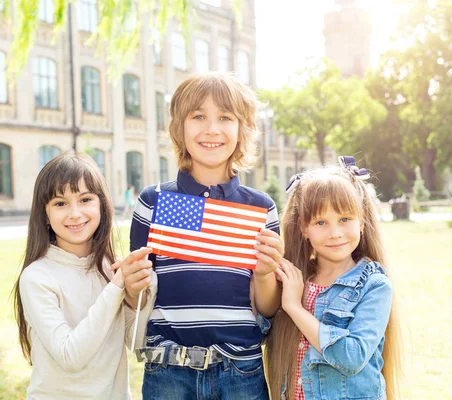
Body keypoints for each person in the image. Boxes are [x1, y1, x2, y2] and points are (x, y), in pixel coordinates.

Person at [130, 72, 284, 399]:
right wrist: (131, 285)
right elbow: (138, 300)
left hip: (240, 369)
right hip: (168, 370)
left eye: (225, 118)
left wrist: (266, 272)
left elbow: (267, 307)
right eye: (198, 116)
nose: (211, 128)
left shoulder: (260, 208)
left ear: (242, 130)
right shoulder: (155, 201)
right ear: (179, 128)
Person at [12, 152, 157, 400]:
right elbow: (71, 356)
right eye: (60, 203)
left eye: (85, 199)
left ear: (101, 204)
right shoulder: (37, 277)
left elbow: (136, 344)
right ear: (44, 214)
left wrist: (141, 293)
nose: (75, 213)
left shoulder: (109, 267)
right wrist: (117, 286)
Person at [265, 158, 403, 400]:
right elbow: (257, 332)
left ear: (362, 222)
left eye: (345, 219)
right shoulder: (295, 279)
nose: (335, 233)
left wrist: (294, 308)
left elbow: (352, 357)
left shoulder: (374, 285)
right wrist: (262, 274)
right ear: (303, 228)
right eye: (320, 222)